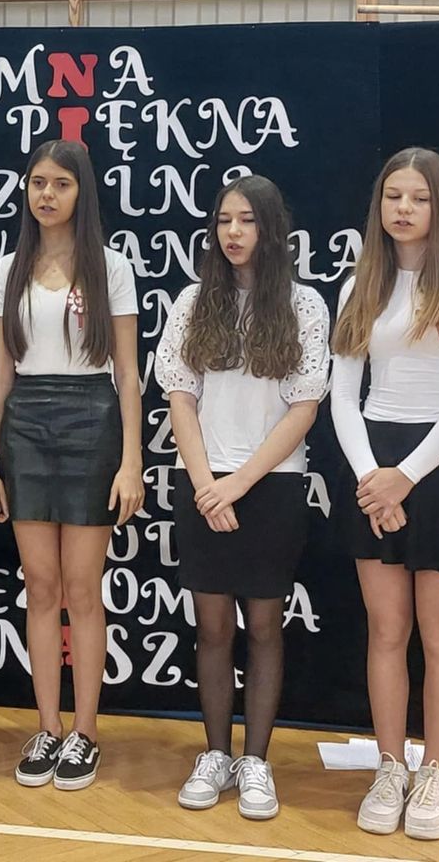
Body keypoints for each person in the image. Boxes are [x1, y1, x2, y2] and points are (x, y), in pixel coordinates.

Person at [330, 147, 439, 841]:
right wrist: (373, 479)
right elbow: (344, 397)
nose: (403, 209)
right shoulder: (359, 284)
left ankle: (436, 773)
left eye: (419, 198)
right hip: (374, 468)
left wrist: (407, 475)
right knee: (385, 631)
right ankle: (390, 767)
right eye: (393, 196)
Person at [156, 175, 330, 820]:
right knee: (210, 628)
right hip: (204, 485)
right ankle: (215, 755)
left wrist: (239, 483)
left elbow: (303, 407)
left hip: (271, 485)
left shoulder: (305, 305)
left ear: (271, 228)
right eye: (224, 220)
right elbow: (180, 397)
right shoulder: (193, 301)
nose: (233, 232)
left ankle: (256, 761)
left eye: (247, 220)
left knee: (262, 626)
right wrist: (207, 485)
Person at [0, 139, 144, 792]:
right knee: (41, 587)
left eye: (60, 184)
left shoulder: (112, 266)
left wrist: (131, 460)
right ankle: (46, 726)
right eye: (37, 183)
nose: (46, 194)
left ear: (82, 192)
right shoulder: (6, 268)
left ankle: (86, 731)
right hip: (25, 424)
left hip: (92, 420)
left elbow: (128, 373)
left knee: (82, 589)